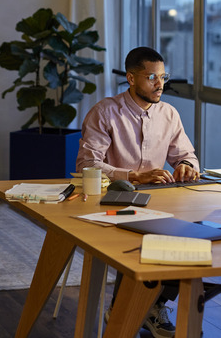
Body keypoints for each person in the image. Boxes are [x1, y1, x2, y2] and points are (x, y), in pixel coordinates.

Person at [76, 46, 200, 338]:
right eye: (152, 77)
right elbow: (87, 165)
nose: (160, 85)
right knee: (148, 236)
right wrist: (133, 175)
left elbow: (188, 155)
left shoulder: (169, 114)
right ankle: (126, 308)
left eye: (163, 77)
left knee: (194, 234)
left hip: (161, 201)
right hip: (114, 202)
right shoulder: (105, 112)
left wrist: (185, 165)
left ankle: (152, 306)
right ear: (131, 79)